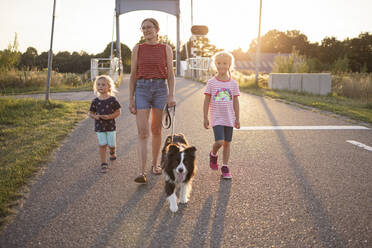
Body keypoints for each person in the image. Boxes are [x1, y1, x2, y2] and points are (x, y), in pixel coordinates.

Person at [129, 18, 176, 184]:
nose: (146, 30)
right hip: (141, 89)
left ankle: (155, 164)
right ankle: (141, 171)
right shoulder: (138, 48)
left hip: (160, 89)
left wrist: (171, 95)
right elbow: (133, 74)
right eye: (143, 28)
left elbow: (170, 74)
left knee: (156, 129)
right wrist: (131, 99)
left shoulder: (166, 48)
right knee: (142, 131)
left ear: (157, 29)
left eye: (149, 27)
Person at [203, 51, 240, 179]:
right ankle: (213, 154)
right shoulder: (211, 83)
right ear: (215, 64)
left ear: (229, 65)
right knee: (219, 141)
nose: (221, 66)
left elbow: (235, 101)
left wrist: (237, 118)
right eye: (219, 63)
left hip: (229, 118)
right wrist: (205, 117)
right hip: (217, 117)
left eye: (224, 63)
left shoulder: (233, 84)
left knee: (227, 143)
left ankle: (225, 166)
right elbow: (206, 100)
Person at [89, 75, 121, 172]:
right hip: (99, 127)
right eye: (98, 85)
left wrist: (109, 117)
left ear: (109, 87)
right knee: (102, 144)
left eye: (103, 84)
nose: (100, 87)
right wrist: (95, 116)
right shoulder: (95, 101)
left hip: (111, 126)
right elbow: (90, 113)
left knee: (111, 144)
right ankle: (104, 163)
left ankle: (112, 151)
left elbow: (118, 111)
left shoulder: (112, 100)